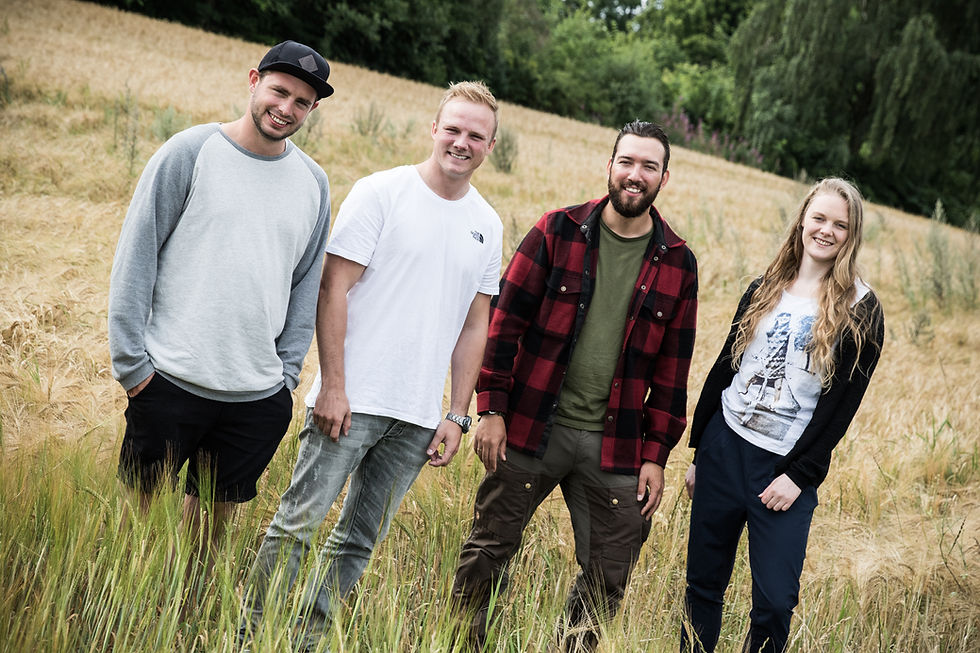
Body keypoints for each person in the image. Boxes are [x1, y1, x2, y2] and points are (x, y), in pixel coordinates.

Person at [240, 81, 503, 650]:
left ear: (490, 146)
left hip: (414, 418)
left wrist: (456, 415)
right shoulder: (382, 192)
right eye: (453, 129)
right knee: (296, 528)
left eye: (475, 136)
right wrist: (333, 385)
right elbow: (333, 289)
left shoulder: (488, 223)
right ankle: (250, 638)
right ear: (434, 129)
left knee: (358, 541)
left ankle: (306, 642)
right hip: (350, 403)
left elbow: (474, 324)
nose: (461, 142)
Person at [452, 120, 699, 652]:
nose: (636, 176)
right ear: (609, 166)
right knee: (489, 549)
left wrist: (656, 456)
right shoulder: (556, 230)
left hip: (616, 446)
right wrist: (490, 408)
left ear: (664, 177)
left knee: (611, 570)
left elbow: (672, 374)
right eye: (627, 162)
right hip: (530, 425)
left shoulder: (678, 263)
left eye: (649, 167)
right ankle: (462, 644)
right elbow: (504, 324)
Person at [107, 41, 334, 544]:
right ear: (254, 80)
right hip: (169, 381)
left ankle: (185, 621)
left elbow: (304, 286)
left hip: (255, 397)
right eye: (279, 91)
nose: (287, 108)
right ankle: (124, 623)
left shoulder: (313, 183)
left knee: (206, 545)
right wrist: (134, 370)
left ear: (313, 108)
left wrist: (285, 380)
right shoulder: (190, 152)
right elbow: (136, 259)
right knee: (134, 539)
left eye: (302, 101)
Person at [680, 178, 885, 653]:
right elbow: (727, 366)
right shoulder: (765, 286)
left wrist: (799, 474)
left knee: (774, 602)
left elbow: (843, 407)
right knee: (702, 587)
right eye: (819, 218)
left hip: (783, 470)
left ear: (851, 235)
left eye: (841, 224)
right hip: (724, 447)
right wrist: (699, 452)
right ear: (802, 220)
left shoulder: (861, 307)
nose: (827, 231)